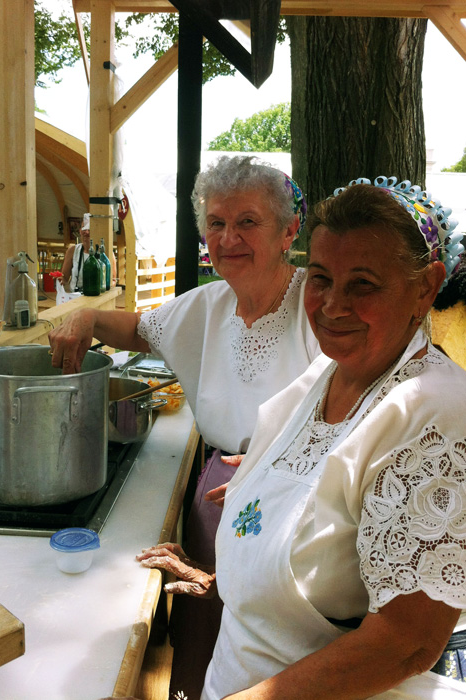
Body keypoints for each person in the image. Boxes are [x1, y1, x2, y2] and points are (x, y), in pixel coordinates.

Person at [138, 176, 466, 699]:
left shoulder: (433, 415)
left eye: (363, 284)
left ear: (425, 286)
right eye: (320, 278)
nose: (333, 306)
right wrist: (231, 576)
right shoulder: (327, 373)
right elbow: (322, 541)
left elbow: (406, 642)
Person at [48, 155, 320, 698]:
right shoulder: (209, 303)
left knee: (274, 651)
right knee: (205, 632)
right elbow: (139, 329)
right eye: (216, 223)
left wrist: (284, 461)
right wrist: (85, 314)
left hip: (299, 495)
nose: (229, 238)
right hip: (217, 493)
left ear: (289, 230)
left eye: (248, 221)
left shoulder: (318, 302)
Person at [61, 214, 117, 292]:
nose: (86, 232)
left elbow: (113, 280)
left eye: (89, 229)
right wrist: (60, 280)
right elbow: (65, 277)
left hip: (96, 296)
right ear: (80, 231)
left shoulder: (106, 253)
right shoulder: (72, 251)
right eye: (84, 228)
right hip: (75, 297)